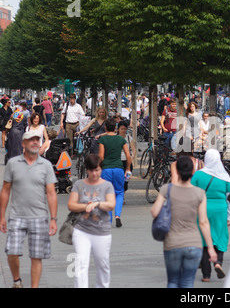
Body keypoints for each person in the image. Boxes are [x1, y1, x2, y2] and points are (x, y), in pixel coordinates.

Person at [0, 130, 58, 288]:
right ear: (23, 144)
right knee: (11, 251)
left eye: (37, 140)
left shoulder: (45, 165)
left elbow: (52, 193)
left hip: (39, 216)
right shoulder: (13, 164)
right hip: (16, 216)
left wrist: (53, 219)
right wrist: (2, 216)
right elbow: (5, 190)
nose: (34, 143)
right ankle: (17, 280)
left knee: (36, 256)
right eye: (30, 140)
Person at [151, 155, 217, 288]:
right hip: (194, 243)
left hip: (172, 243)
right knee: (187, 282)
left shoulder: (167, 189)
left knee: (173, 281)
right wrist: (210, 248)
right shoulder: (199, 193)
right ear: (193, 171)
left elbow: (154, 212)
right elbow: (203, 222)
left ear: (177, 171)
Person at [67, 154, 116, 288]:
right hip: (81, 230)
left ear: (101, 169)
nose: (94, 173)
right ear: (87, 170)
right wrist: (85, 206)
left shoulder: (107, 185)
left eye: (97, 170)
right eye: (91, 170)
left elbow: (111, 204)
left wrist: (97, 204)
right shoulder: (79, 184)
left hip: (102, 232)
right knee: (81, 263)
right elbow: (71, 205)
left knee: (103, 263)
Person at [191, 149, 230, 282]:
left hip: (202, 209)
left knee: (204, 239)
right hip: (220, 210)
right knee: (219, 237)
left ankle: (206, 275)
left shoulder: (198, 175)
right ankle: (218, 263)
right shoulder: (224, 176)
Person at [98, 118, 132, 228]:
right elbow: (128, 155)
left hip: (106, 169)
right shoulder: (121, 140)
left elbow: (101, 156)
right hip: (118, 168)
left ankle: (108, 218)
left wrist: (98, 168)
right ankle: (117, 216)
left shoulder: (103, 140)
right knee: (119, 192)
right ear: (116, 128)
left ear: (106, 128)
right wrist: (127, 168)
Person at [117, 120, 136, 193]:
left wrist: (132, 157)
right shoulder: (115, 138)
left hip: (128, 161)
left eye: (125, 129)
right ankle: (120, 195)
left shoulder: (129, 138)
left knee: (126, 179)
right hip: (118, 161)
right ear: (118, 129)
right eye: (122, 129)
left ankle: (123, 191)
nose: (123, 131)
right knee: (119, 179)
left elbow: (134, 149)